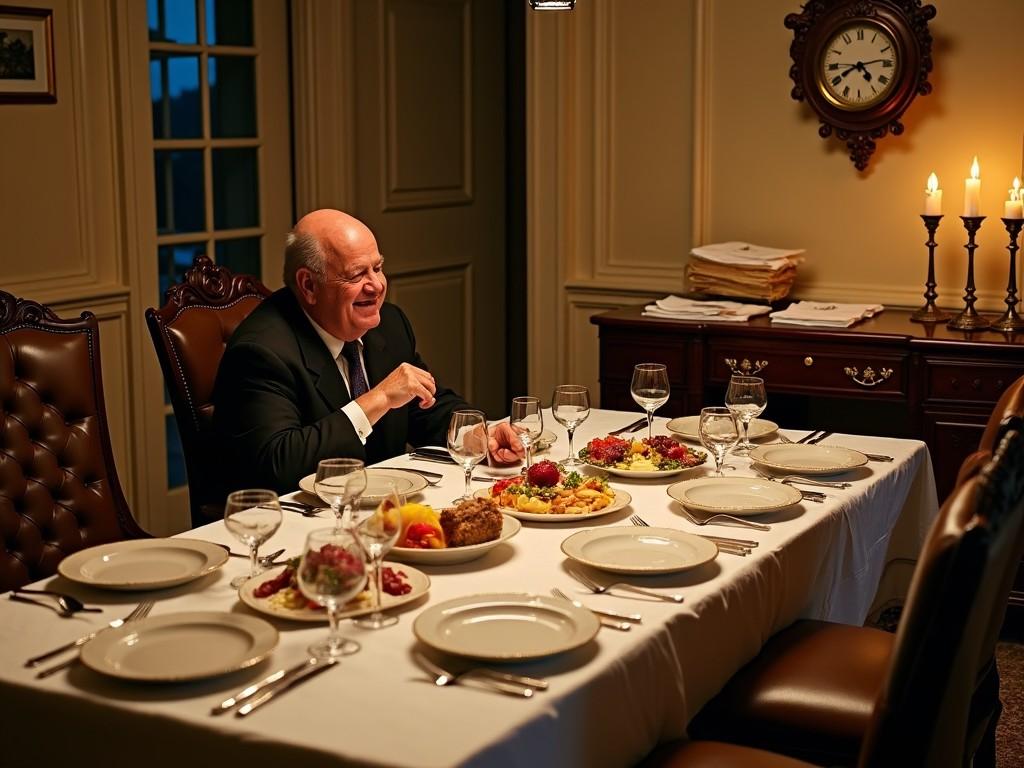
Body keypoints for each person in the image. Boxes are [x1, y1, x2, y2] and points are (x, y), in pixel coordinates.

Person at [213, 209, 524, 495]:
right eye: (356, 275)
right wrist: (379, 399)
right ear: (308, 285)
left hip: (380, 509)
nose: (376, 286)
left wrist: (477, 435)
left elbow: (423, 405)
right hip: (292, 527)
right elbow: (278, 465)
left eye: (378, 268)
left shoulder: (389, 324)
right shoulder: (262, 352)